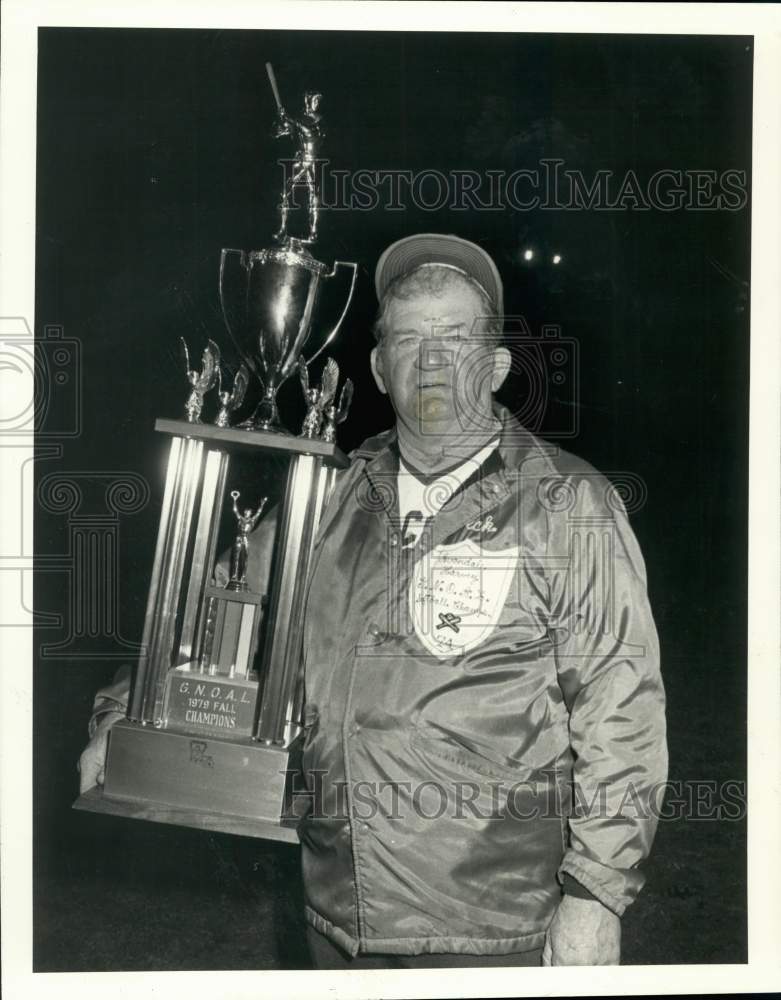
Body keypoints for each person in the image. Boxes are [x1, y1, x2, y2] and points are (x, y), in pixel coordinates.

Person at [80, 233, 667, 968]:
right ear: (378, 367)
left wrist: (594, 895)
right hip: (336, 915)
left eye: (453, 337)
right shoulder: (325, 497)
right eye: (406, 337)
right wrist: (121, 718)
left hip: (493, 931)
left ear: (495, 366)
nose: (428, 358)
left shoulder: (566, 502)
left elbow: (624, 708)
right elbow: (211, 615)